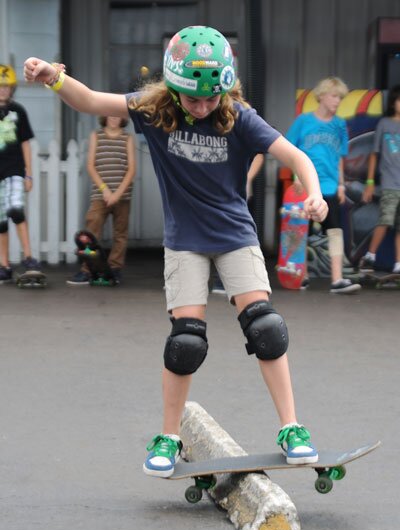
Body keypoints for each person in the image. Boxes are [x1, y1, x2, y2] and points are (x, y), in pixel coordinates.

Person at [24, 26, 328, 477]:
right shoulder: (154, 109)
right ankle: (169, 435)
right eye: (192, 98)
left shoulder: (239, 116)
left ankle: (292, 428)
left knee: (266, 327)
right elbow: (90, 101)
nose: (203, 107)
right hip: (185, 240)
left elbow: (296, 157)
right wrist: (53, 78)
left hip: (236, 237)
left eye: (211, 98)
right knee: (186, 341)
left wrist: (314, 192)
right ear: (173, 86)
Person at [286, 76, 361, 294]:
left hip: (329, 186)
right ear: (322, 96)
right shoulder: (303, 121)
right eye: (334, 96)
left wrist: (341, 185)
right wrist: (296, 178)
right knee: (301, 231)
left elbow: (340, 157)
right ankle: (301, 276)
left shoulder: (339, 124)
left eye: (340, 97)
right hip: (305, 186)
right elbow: (291, 151)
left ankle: (337, 279)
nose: (337, 101)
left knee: (335, 231)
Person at [67, 115, 136, 285]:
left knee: (120, 233)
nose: (114, 118)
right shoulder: (96, 135)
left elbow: (131, 169)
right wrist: (105, 191)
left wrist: (117, 194)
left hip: (122, 194)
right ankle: (87, 269)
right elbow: (91, 166)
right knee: (91, 232)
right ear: (104, 116)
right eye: (110, 114)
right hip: (100, 194)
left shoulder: (127, 138)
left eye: (117, 115)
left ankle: (115, 268)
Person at [0, 64, 41, 283]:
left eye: (6, 86)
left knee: (16, 209)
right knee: (0, 221)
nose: (3, 90)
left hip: (14, 169)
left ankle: (28, 257)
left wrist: (29, 173)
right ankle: (4, 265)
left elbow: (25, 144)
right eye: (0, 86)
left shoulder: (18, 110)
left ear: (12, 88)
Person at [359, 85, 400, 274]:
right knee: (385, 220)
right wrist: (369, 183)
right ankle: (370, 256)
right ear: (393, 103)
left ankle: (398, 263)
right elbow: (374, 154)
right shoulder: (384, 123)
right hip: (390, 183)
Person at [211, 152, 264, 294]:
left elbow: (258, 154)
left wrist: (246, 179)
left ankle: (225, 282)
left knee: (235, 237)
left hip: (237, 194)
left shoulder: (242, 130)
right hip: (214, 191)